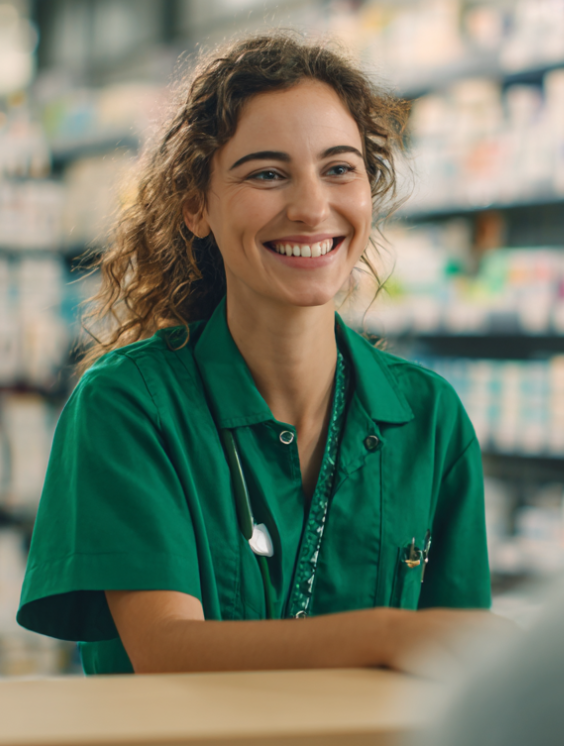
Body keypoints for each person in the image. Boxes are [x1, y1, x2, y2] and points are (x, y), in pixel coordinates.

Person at [17, 33, 500, 676]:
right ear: (196, 207)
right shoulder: (128, 406)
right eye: (268, 174)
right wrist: (388, 635)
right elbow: (168, 651)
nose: (310, 207)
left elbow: (465, 674)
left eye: (339, 168)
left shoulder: (429, 416)